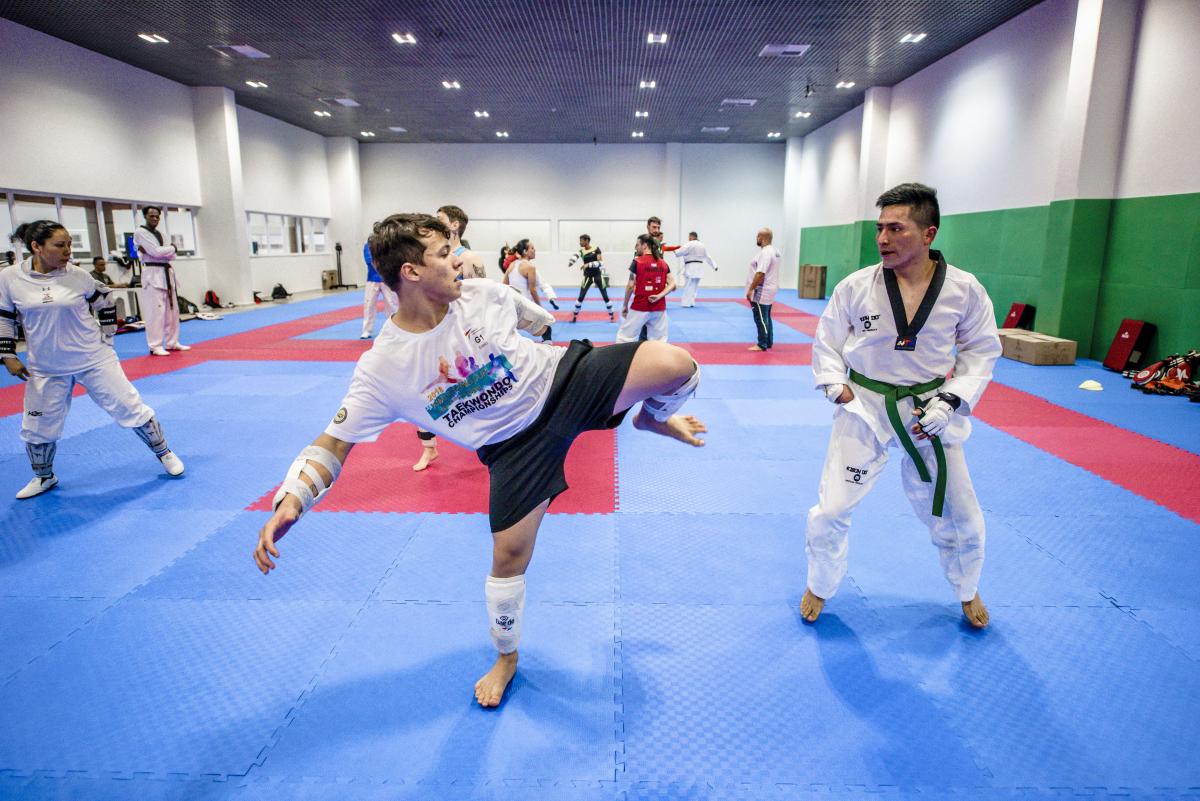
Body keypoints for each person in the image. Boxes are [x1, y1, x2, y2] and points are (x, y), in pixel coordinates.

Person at [253, 213, 707, 708]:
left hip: (564, 380)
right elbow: (334, 442)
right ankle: (506, 659)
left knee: (676, 365)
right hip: (514, 449)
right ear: (410, 272)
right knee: (507, 563)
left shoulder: (483, 293)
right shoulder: (383, 368)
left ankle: (651, 419)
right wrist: (292, 497)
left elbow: (536, 318)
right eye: (444, 255)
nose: (458, 261)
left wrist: (536, 320)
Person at [801, 183, 1001, 630]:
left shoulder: (964, 290)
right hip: (865, 406)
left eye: (896, 228)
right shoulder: (857, 286)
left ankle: (967, 589)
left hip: (929, 411)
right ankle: (820, 582)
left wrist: (950, 400)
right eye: (879, 228)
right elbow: (827, 342)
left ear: (928, 233)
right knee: (832, 508)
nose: (883, 239)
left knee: (963, 514)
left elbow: (982, 351)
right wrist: (837, 387)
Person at [1, 221, 185, 499]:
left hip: (93, 358)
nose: (68, 252)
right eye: (59, 246)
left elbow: (105, 299)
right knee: (37, 427)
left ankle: (165, 453)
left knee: (130, 407)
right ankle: (43, 476)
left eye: (70, 245)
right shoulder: (10, 278)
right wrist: (7, 354)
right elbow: (4, 317)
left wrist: (107, 334)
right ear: (36, 247)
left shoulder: (77, 276)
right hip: (45, 366)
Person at [133, 206, 188, 356]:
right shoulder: (140, 233)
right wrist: (171, 248)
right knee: (155, 312)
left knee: (172, 311)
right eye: (151, 216)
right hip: (152, 273)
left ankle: (172, 342)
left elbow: (171, 256)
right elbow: (155, 252)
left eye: (157, 216)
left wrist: (167, 250)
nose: (155, 219)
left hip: (167, 273)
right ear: (145, 216)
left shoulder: (163, 234)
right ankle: (155, 345)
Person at [616, 235, 674, 343]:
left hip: (640, 307)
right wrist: (659, 296)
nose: (636, 247)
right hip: (659, 308)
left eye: (638, 245)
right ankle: (657, 360)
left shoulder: (637, 261)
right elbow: (672, 284)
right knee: (659, 341)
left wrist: (625, 305)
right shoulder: (663, 263)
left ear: (645, 245)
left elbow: (630, 285)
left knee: (625, 337)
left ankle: (623, 359)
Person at [745, 227, 781, 351]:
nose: (756, 239)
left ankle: (762, 344)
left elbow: (760, 273)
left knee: (760, 317)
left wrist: (751, 289)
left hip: (762, 290)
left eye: (758, 237)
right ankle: (769, 341)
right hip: (770, 288)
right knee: (766, 316)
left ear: (763, 238)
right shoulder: (774, 251)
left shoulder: (766, 253)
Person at [567, 234, 614, 323]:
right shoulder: (581, 251)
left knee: (605, 296)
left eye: (581, 240)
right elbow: (576, 256)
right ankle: (574, 317)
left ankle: (611, 316)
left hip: (598, 275)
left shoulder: (596, 249)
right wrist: (571, 261)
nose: (580, 242)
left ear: (587, 241)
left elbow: (601, 263)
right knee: (581, 296)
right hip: (587, 276)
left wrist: (588, 264)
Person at [361, 239, 399, 339]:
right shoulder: (368, 245)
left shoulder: (388, 244)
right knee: (369, 304)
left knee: (392, 304)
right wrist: (384, 265)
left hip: (387, 278)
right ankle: (366, 330)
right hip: (372, 279)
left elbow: (393, 259)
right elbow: (369, 260)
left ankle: (395, 328)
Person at [437, 205, 487, 280]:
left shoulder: (469, 258)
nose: (434, 225)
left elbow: (481, 291)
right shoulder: (434, 255)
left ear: (455, 225)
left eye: (439, 221)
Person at [672, 231, 717, 308]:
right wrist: (714, 266)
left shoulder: (690, 244)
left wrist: (675, 251)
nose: (688, 238)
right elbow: (708, 257)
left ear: (692, 237)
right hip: (699, 267)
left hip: (691, 267)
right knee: (694, 286)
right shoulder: (702, 245)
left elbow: (679, 252)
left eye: (689, 237)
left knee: (688, 285)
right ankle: (692, 302)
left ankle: (686, 303)